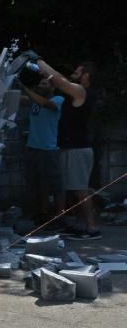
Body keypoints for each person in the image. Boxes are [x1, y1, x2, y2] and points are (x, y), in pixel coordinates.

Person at [37, 59, 101, 240]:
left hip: (78, 150)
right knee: (74, 190)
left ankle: (92, 228)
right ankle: (82, 225)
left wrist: (39, 62)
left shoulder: (82, 91)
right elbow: (62, 80)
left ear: (86, 75)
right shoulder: (77, 91)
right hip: (70, 148)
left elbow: (59, 80)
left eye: (78, 71)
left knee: (80, 190)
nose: (74, 72)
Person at [20, 74, 65, 228]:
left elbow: (47, 104)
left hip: (48, 149)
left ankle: (60, 215)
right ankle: (43, 214)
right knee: (38, 184)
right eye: (40, 84)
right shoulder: (35, 102)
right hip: (33, 148)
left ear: (53, 87)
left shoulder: (57, 100)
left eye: (44, 84)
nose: (40, 86)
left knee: (54, 184)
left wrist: (24, 88)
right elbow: (19, 100)